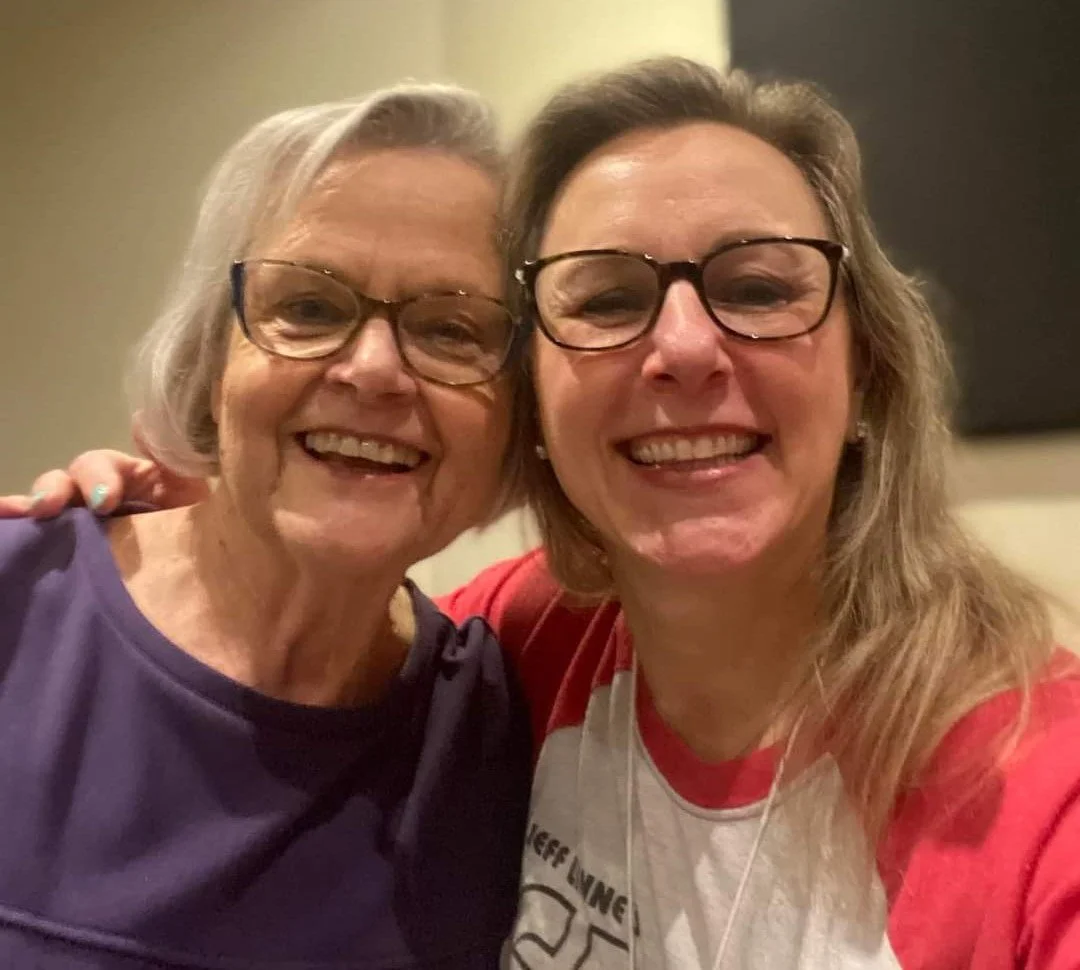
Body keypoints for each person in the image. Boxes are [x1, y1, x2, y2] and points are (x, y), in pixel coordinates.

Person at [9, 58, 1080, 968]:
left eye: (759, 288)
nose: (686, 348)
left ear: (870, 377)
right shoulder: (528, 650)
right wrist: (113, 529)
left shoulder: (1043, 798)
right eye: (607, 299)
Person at [0, 83, 532, 968]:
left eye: (450, 329)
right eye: (311, 308)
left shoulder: (495, 731)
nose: (373, 372)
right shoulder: (16, 611)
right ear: (212, 358)